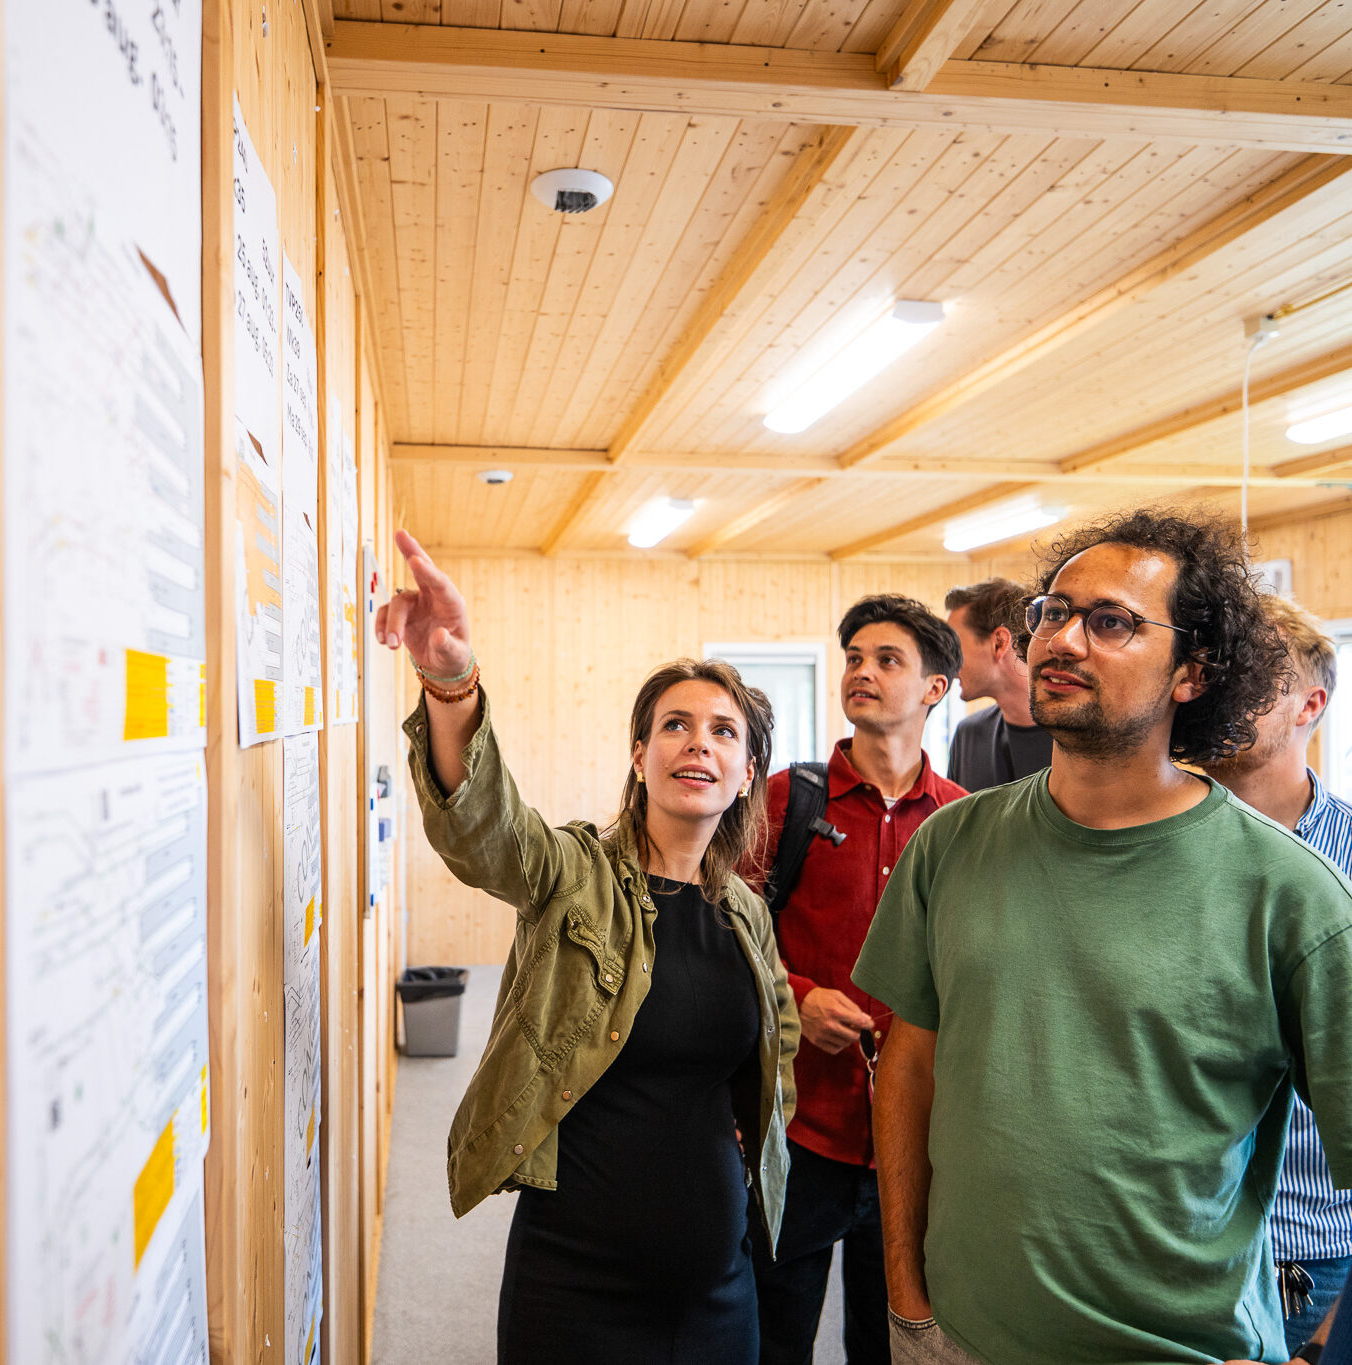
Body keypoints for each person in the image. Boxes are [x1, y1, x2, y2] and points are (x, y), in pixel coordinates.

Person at [852, 508, 1352, 1365]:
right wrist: (906, 1298)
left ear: (1192, 671)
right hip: (958, 1339)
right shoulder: (950, 843)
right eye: (1052, 611)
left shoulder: (1291, 893)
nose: (1061, 638)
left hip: (1183, 1347)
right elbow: (909, 1065)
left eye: (1111, 620)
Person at [377, 528, 799, 1365]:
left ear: (747, 771)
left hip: (719, 1285)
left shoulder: (746, 912)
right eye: (674, 725)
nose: (699, 742)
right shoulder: (574, 872)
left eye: (723, 731)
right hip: (574, 1281)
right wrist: (452, 683)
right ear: (640, 756)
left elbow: (776, 1038)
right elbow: (486, 832)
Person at [750, 596, 966, 1365]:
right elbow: (725, 932)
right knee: (774, 1337)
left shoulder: (961, 819)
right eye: (853, 658)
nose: (861, 672)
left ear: (934, 687)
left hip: (914, 1141)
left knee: (893, 1342)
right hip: (798, 1126)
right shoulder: (786, 799)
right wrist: (797, 997)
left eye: (886, 659)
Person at [1201, 595, 1350, 1361]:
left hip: (1306, 1241)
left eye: (1255, 678)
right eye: (1217, 672)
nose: (1223, 691)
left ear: (1309, 707)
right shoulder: (1150, 845)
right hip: (1167, 1235)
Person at [943, 578, 1052, 790]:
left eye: (953, 647)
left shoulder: (1077, 736)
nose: (947, 663)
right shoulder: (968, 736)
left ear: (998, 643)